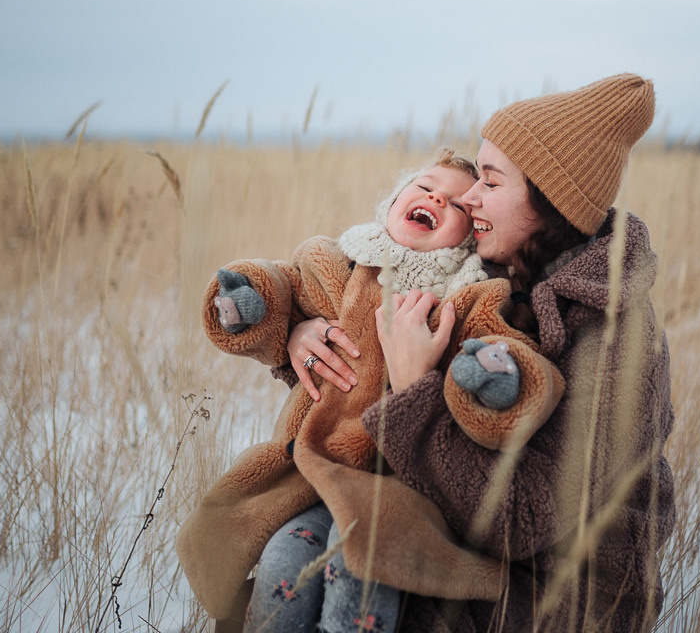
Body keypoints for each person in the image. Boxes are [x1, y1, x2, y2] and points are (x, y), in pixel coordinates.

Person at [288, 73, 675, 632]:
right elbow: (371, 325)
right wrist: (307, 331)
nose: (468, 197)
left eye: (490, 183)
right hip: (472, 546)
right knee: (294, 562)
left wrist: (417, 389)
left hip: (555, 600)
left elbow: (521, 519)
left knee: (371, 574)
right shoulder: (495, 267)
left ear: (550, 203)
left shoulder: (616, 344)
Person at [176, 149, 567, 632]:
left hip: (401, 492)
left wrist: (498, 375)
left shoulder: (468, 296)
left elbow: (511, 353)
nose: (436, 198)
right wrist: (258, 308)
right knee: (282, 561)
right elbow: (285, 288)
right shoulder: (342, 266)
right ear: (392, 203)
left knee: (360, 569)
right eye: (424, 187)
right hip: (313, 475)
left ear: (469, 240)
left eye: (457, 205)